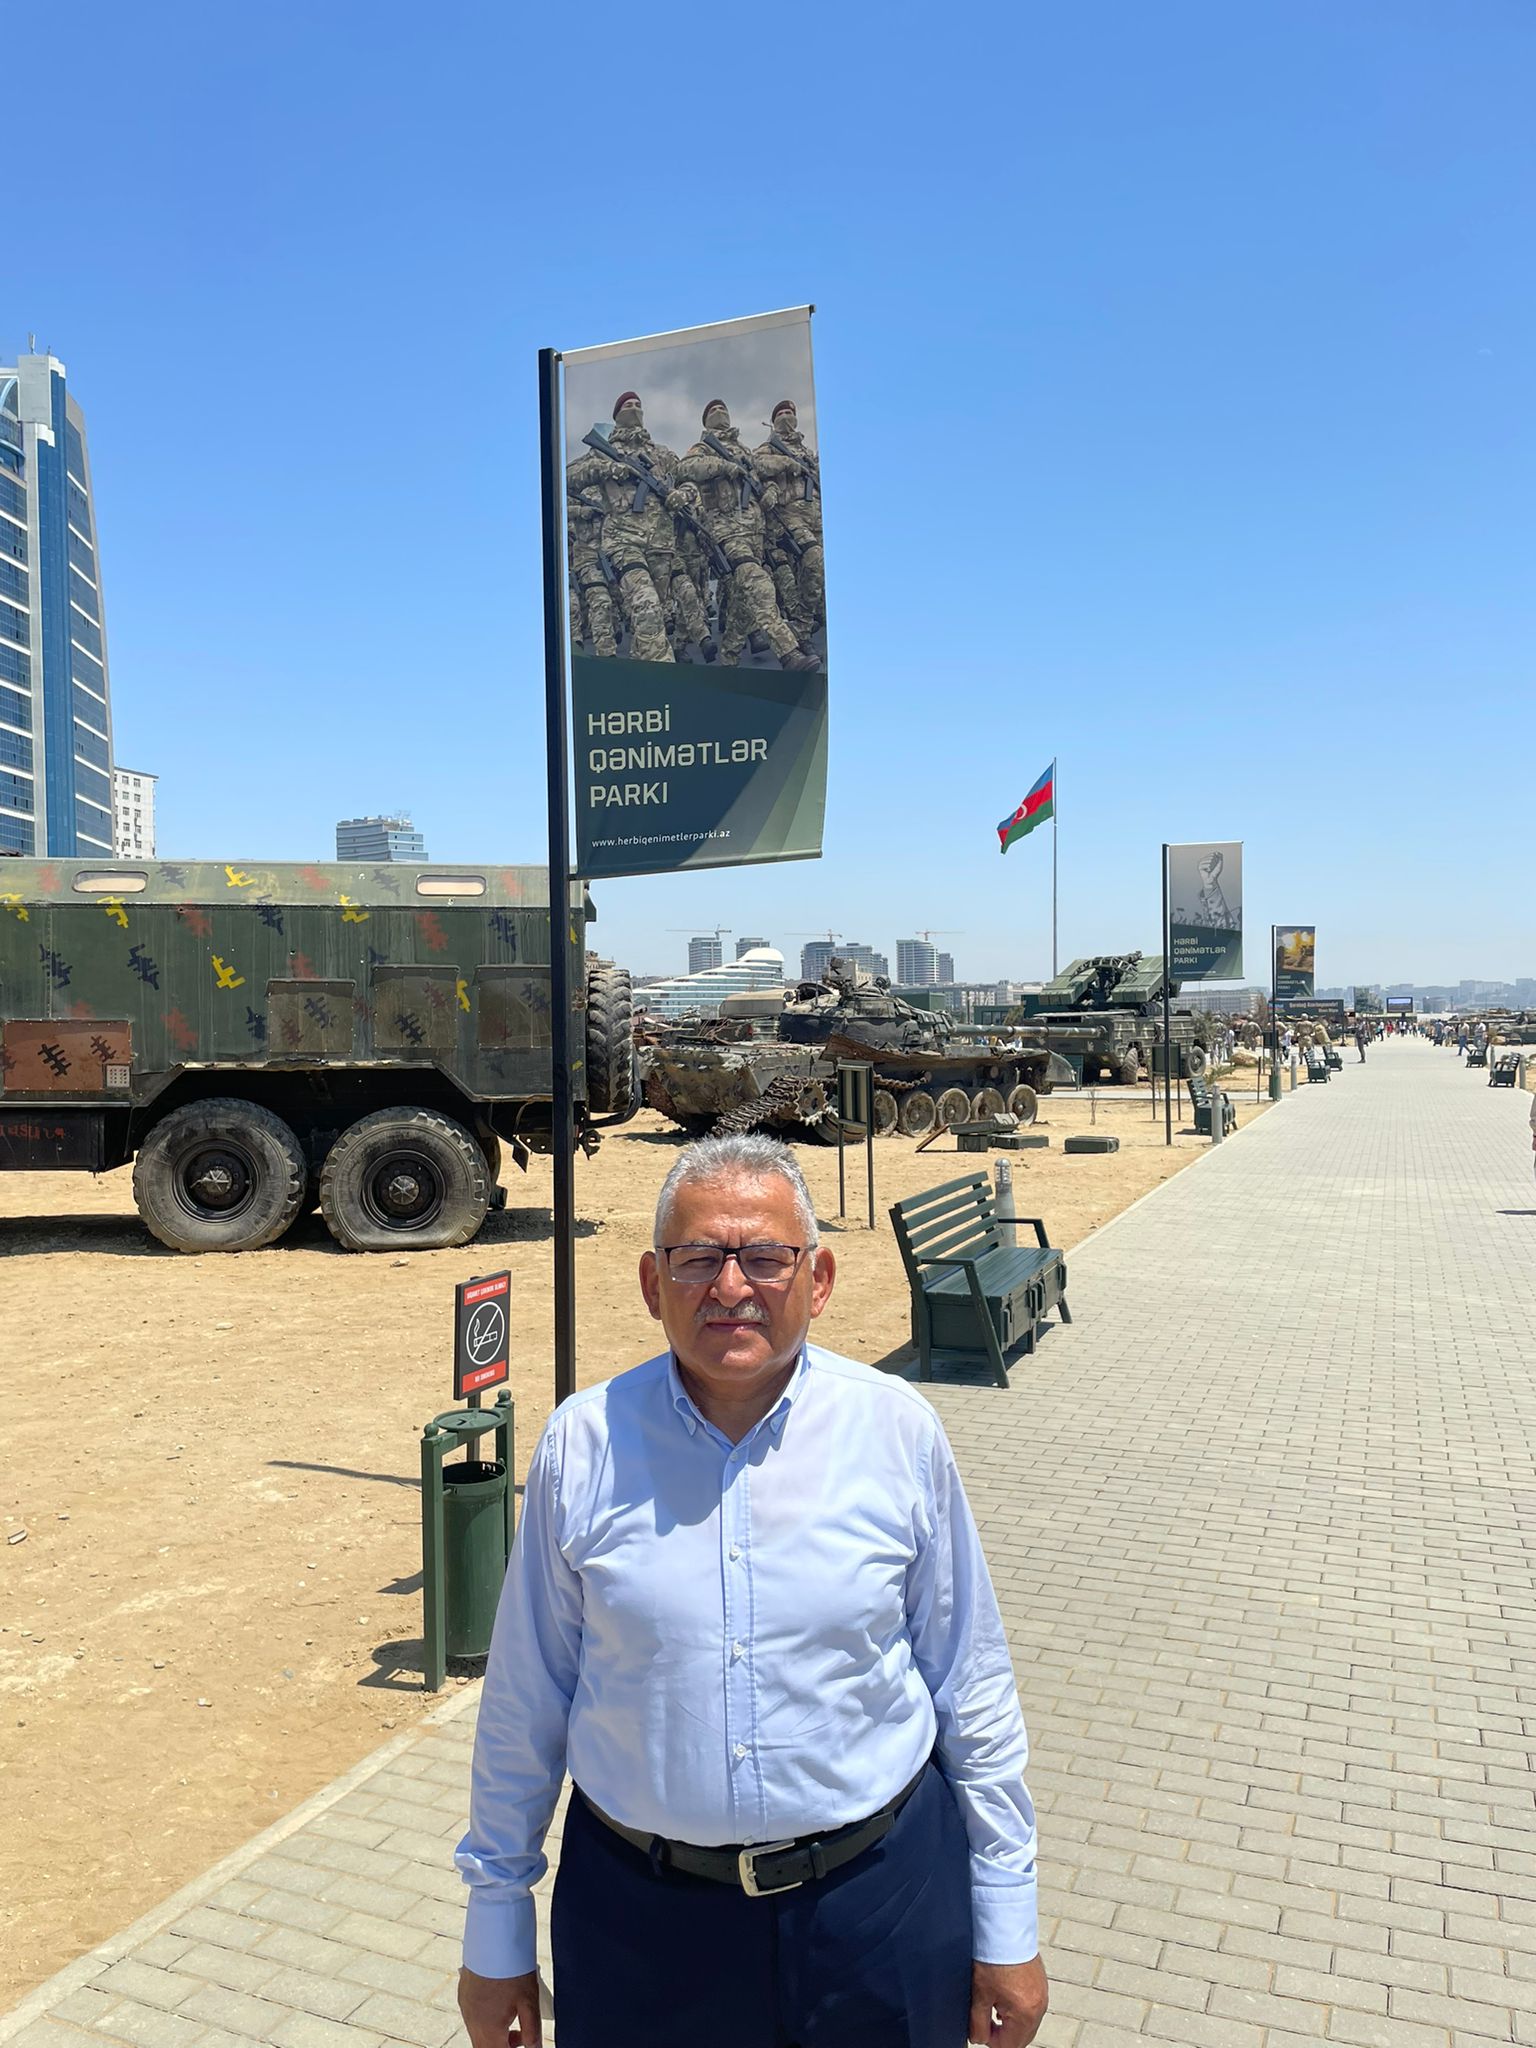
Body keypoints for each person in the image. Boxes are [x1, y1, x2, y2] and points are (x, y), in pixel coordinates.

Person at [456, 1134, 1048, 2048]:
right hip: (641, 1927)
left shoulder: (896, 1433)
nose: (731, 1287)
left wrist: (1007, 1916)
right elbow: (525, 1704)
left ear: (819, 1279)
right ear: (653, 1284)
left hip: (880, 1909)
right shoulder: (584, 1445)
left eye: (766, 1257)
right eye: (698, 1258)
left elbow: (970, 1683)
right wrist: (495, 1930)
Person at [677, 401, 819, 671]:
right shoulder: (703, 448)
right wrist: (723, 466)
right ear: (705, 420)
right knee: (759, 583)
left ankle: (729, 658)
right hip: (726, 530)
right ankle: (789, 652)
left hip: (755, 532)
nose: (720, 412)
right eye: (713, 410)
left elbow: (761, 476)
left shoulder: (743, 450)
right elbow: (685, 469)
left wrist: (770, 492)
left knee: (744, 601)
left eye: (723, 408)